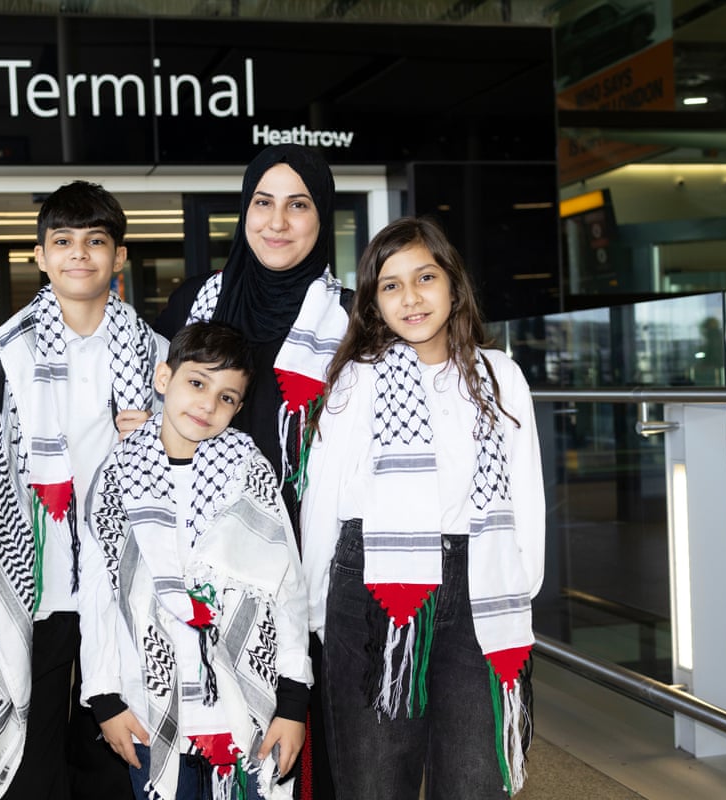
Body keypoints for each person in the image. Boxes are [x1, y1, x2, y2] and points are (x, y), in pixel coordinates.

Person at [300, 217, 545, 799]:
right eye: (390, 285)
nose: (410, 297)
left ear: (453, 286)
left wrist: (518, 588)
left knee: (475, 780)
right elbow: (322, 504)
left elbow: (527, 497)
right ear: (373, 303)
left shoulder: (501, 377)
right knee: (375, 780)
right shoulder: (356, 382)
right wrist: (315, 613)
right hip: (372, 591)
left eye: (425, 277)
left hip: (478, 586)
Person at [0, 180, 168, 800]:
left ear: (119, 256)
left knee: (116, 762)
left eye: (96, 241)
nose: (80, 253)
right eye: (64, 241)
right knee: (32, 765)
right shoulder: (5, 354)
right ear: (42, 255)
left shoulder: (154, 353)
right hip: (36, 593)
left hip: (122, 593)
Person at [154, 144, 349, 799]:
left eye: (299, 205)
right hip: (205, 570)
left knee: (305, 755)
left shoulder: (352, 320)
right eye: (262, 202)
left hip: (313, 573)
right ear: (243, 212)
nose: (277, 221)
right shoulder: (195, 305)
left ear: (322, 217)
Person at [78, 321, 312, 800]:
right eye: (197, 382)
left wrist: (292, 703)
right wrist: (104, 700)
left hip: (248, 707)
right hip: (148, 709)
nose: (208, 404)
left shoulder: (250, 474)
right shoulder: (118, 475)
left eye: (227, 397)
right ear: (164, 379)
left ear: (240, 408)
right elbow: (99, 592)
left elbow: (285, 591)